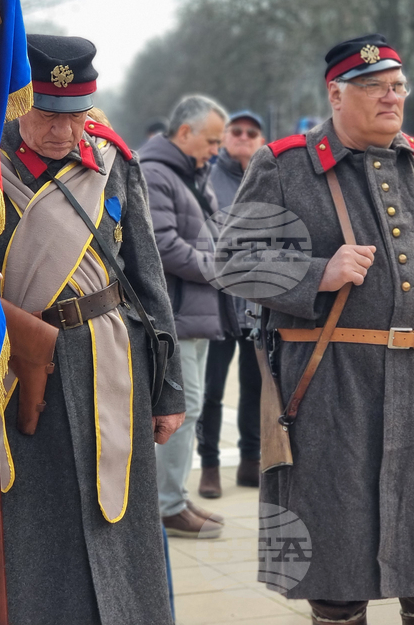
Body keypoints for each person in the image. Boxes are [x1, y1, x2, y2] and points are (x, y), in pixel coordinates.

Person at [219, 34, 414, 625]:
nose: (391, 98)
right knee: (338, 572)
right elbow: (233, 261)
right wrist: (319, 273)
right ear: (337, 93)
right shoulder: (286, 163)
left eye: (398, 86)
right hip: (330, 389)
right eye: (374, 87)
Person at [0, 36, 187, 624]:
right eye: (49, 115)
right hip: (9, 368)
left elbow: (147, 278)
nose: (64, 132)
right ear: (15, 101)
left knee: (116, 525)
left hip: (110, 361)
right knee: (25, 529)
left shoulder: (112, 162)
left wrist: (169, 389)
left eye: (76, 115)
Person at [139, 94, 227, 537]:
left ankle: (173, 498)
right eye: (211, 140)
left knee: (188, 411)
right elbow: (164, 245)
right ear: (185, 132)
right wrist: (218, 267)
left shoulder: (191, 173)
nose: (217, 149)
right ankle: (164, 505)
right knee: (180, 410)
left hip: (193, 313)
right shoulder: (157, 174)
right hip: (173, 316)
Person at [197, 110, 264, 498]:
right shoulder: (207, 175)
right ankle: (209, 464)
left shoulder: (269, 177)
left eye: (250, 132)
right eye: (235, 131)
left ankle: (251, 459)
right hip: (216, 302)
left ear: (260, 139)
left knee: (255, 385)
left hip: (257, 301)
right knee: (212, 389)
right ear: (224, 138)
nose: (242, 136)